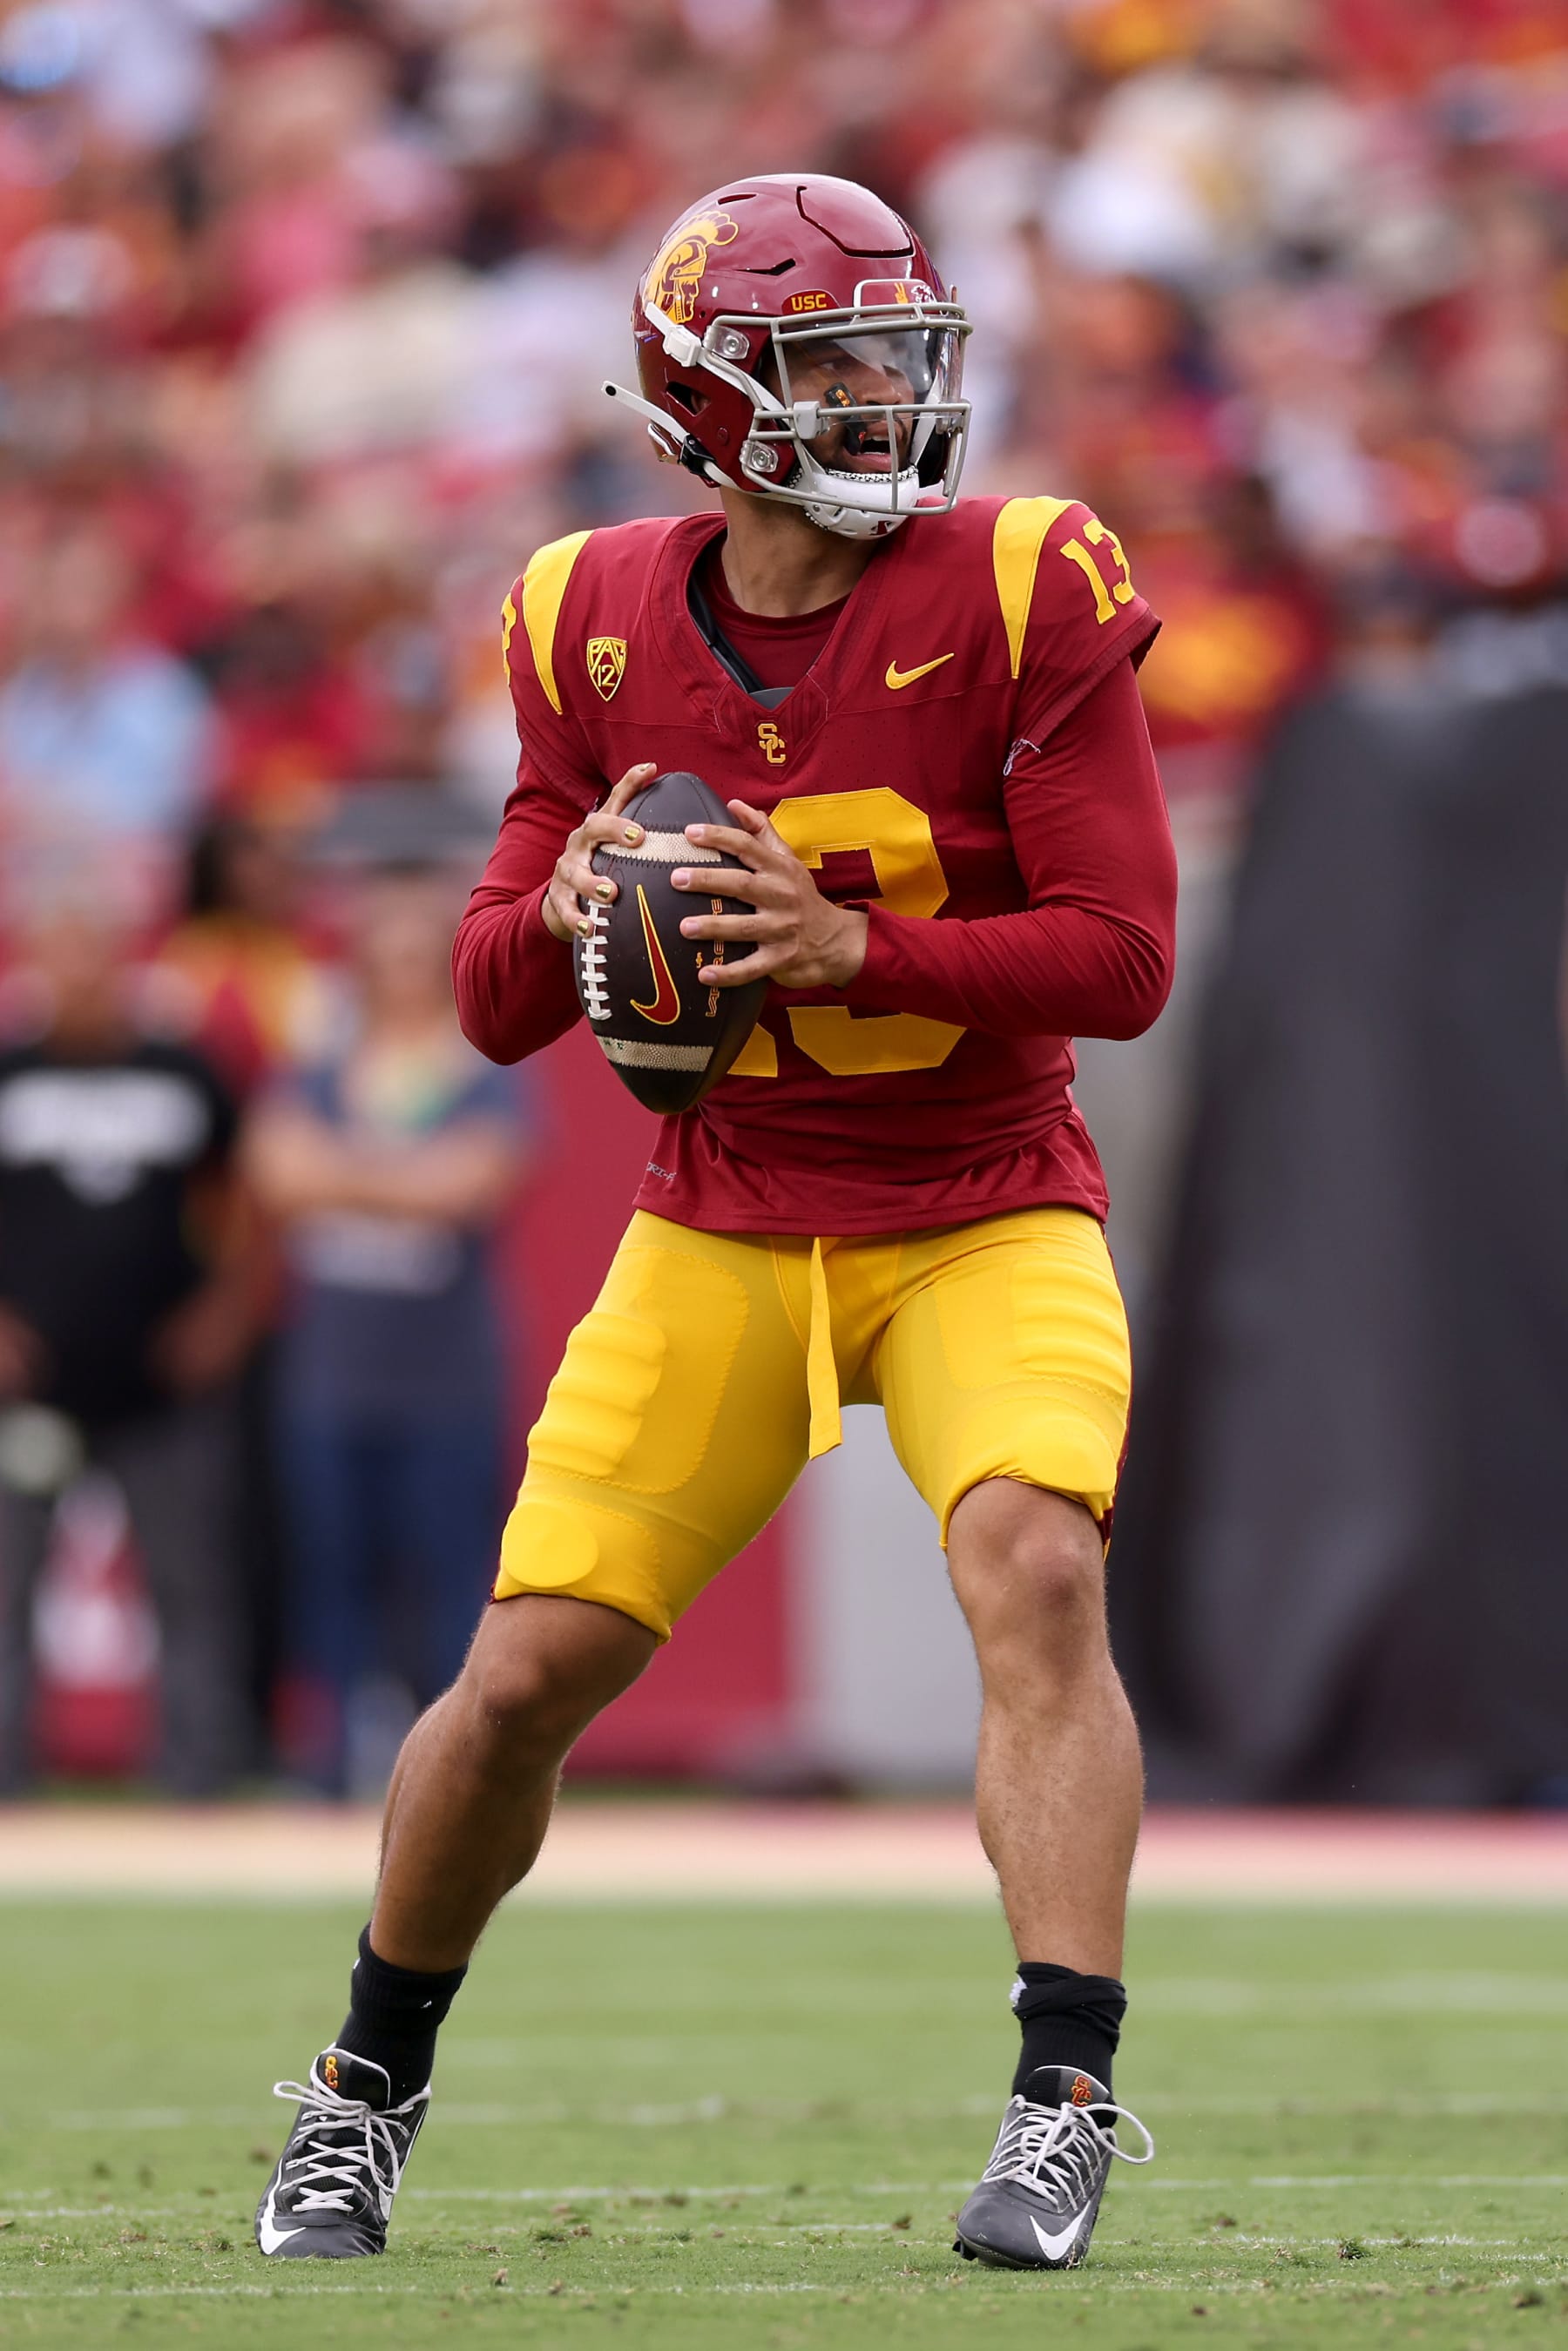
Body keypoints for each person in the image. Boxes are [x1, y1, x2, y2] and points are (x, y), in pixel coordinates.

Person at [255, 175, 1175, 2272]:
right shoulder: (587, 609)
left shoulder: (1025, 579)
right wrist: (567, 910)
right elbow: (492, 999)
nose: (886, 396)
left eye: (899, 353)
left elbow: (1122, 955)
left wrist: (851, 947)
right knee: (518, 1675)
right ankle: (359, 2086)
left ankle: (1065, 2094)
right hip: (725, 1222)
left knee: (1032, 1559)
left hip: (981, 1201)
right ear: (710, 396)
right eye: (836, 359)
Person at [247, 866, 529, 1797]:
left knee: (450, 1582)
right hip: (332, 1372)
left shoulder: (483, 1069)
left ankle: (452, 1775)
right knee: (330, 1574)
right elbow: (277, 1175)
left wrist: (345, 1171)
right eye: (386, 953)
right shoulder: (320, 1065)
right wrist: (405, 1177)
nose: (401, 971)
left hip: (445, 1374)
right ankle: (323, 1769)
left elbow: (473, 1183)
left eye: (420, 953)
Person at [0, 902, 257, 1796]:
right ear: (34, 963)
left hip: (163, 1385)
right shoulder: (10, 1071)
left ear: (124, 960)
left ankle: (198, 1780)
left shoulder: (183, 1072)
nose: (78, 973)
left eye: (93, 950)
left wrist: (224, 1315)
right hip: (26, 1389)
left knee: (191, 1582)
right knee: (4, 1588)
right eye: (60, 953)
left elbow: (247, 1201)